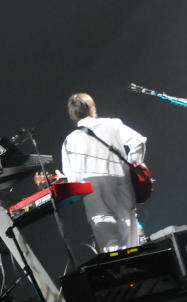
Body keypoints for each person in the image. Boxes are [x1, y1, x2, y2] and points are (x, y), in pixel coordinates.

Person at [60, 92, 147, 252]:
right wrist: (132, 166)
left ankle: (122, 267)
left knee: (112, 247)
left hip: (95, 195)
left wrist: (63, 179)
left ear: (72, 114)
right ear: (92, 107)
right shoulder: (113, 124)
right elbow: (138, 142)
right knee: (132, 244)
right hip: (123, 186)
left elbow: (73, 179)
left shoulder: (69, 141)